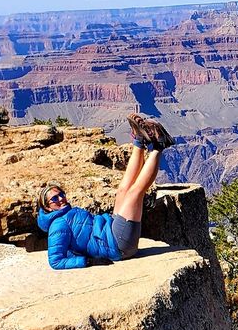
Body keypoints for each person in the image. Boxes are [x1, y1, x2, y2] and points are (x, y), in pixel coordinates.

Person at [37, 113, 175, 269]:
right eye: (54, 199)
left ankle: (139, 140)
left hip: (110, 229)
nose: (61, 199)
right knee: (134, 193)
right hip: (118, 245)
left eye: (61, 194)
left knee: (123, 189)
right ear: (47, 207)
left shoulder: (64, 214)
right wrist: (88, 262)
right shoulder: (57, 226)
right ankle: (159, 146)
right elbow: (55, 261)